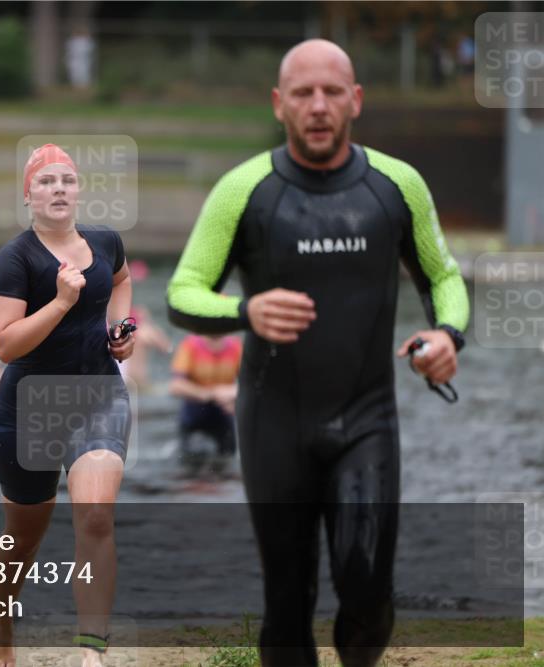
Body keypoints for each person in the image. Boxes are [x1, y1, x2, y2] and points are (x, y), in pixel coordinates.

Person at [166, 39, 468, 667]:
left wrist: (446, 334)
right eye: (303, 93)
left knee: (366, 589)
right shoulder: (243, 190)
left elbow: (443, 275)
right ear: (280, 104)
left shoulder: (397, 185)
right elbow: (182, 292)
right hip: (274, 423)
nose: (319, 106)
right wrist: (246, 311)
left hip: (367, 419)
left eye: (332, 91)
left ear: (356, 99)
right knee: (287, 602)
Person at [0, 143, 133, 667]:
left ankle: (91, 651)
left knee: (94, 516)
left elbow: (121, 280)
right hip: (29, 410)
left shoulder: (105, 241)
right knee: (23, 539)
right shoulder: (16, 258)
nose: (58, 189)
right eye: (46, 181)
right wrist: (62, 302)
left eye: (67, 180)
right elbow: (5, 344)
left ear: (79, 191)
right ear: (28, 195)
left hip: (99, 396)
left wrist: (121, 329)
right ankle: (2, 624)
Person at [168, 333, 242, 474]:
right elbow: (175, 386)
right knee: (190, 464)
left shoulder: (235, 347)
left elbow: (250, 385)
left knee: (227, 462)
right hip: (194, 415)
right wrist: (211, 394)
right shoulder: (191, 345)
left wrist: (231, 394)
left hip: (224, 415)